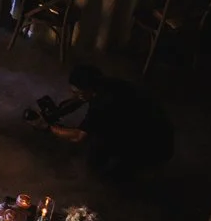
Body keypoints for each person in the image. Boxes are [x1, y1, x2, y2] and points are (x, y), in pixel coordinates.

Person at [37, 64, 172, 179]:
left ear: (89, 90)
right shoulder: (103, 84)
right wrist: (58, 112)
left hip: (153, 143)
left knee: (99, 167)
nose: (73, 95)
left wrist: (48, 127)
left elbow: (78, 136)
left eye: (76, 91)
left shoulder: (103, 104)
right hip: (154, 124)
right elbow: (78, 100)